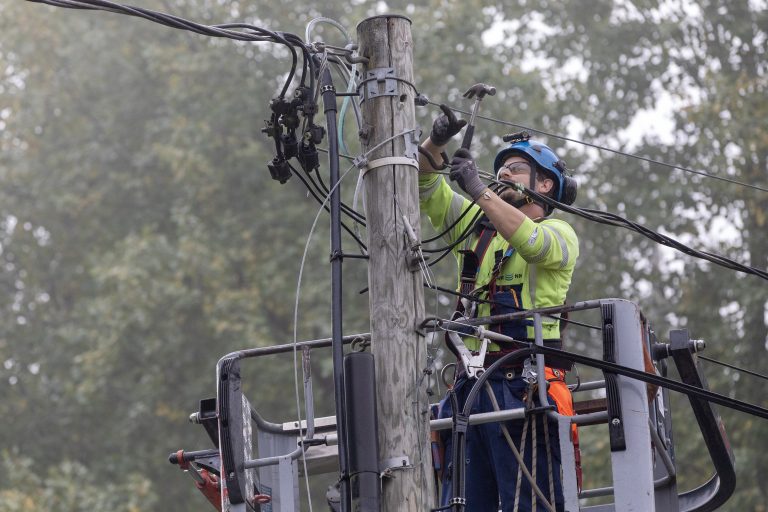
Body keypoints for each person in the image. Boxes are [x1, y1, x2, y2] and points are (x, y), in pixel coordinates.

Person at [418, 105, 579, 511]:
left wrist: (478, 190)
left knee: (530, 503)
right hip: (470, 391)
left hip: (526, 389)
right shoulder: (477, 228)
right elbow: (423, 185)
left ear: (545, 184)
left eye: (516, 169)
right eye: (500, 168)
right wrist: (435, 143)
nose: (503, 173)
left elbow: (532, 244)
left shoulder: (560, 233)